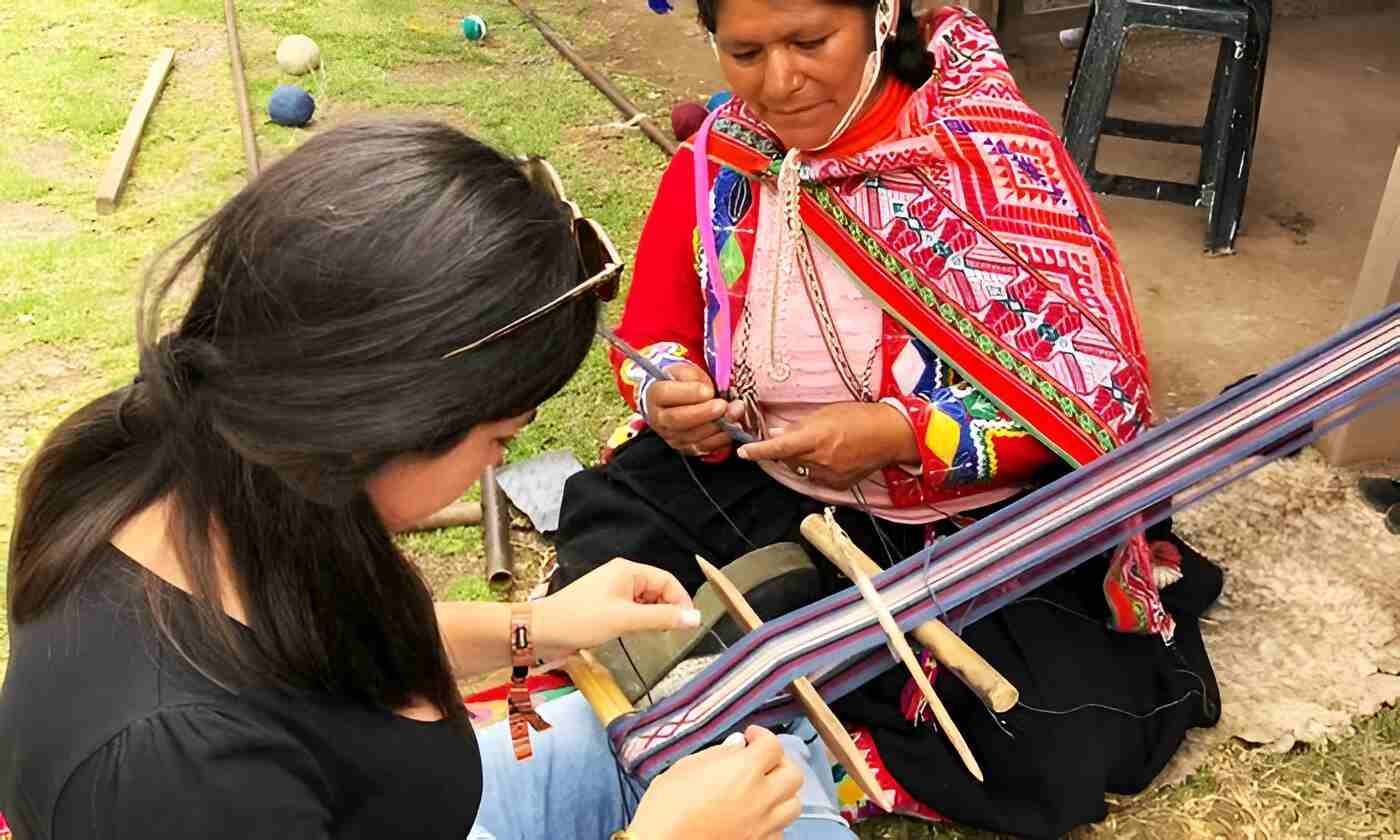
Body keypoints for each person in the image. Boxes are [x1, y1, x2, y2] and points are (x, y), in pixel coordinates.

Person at [0, 121, 858, 840]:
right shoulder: (174, 780)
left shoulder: (221, 468)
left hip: (413, 808)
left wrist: (536, 627)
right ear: (384, 422)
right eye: (498, 437)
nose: (495, 464)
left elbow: (302, 651)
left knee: (751, 760)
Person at [554, 1, 1224, 836]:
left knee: (1046, 738)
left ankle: (771, 682)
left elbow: (1093, 399)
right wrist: (667, 391)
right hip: (757, 478)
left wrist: (906, 434)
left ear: (881, 16)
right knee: (610, 555)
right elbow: (653, 332)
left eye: (809, 42)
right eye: (744, 52)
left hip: (957, 526)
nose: (779, 81)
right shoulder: (721, 156)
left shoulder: (990, 161)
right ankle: (785, 671)